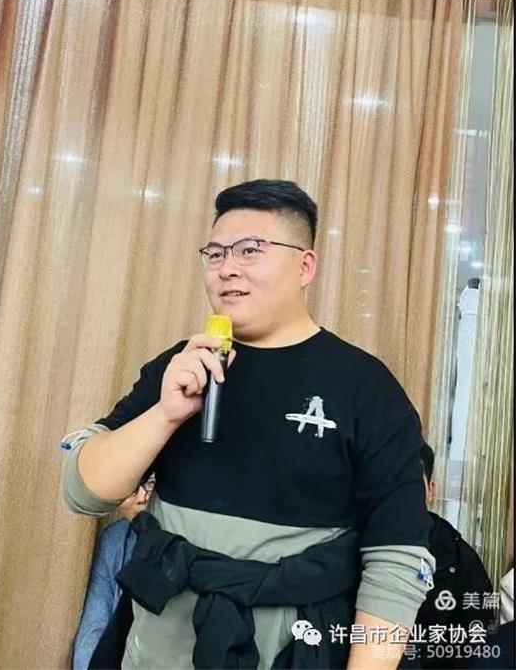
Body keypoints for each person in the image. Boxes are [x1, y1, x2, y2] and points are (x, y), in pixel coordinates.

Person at [62, 179, 434, 670]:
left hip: (292, 651)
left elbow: (396, 557)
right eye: (214, 254)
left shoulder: (366, 387)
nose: (227, 268)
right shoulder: (183, 365)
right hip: (157, 650)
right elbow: (85, 493)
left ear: (305, 266)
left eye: (250, 250)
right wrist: (165, 414)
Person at [409, 443, 492, 668]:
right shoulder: (354, 550)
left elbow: (478, 646)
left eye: (413, 485)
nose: (403, 498)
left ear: (431, 490)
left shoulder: (461, 560)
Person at [72, 479, 155, 670]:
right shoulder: (115, 540)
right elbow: (93, 629)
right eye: (132, 490)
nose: (141, 498)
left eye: (150, 485)